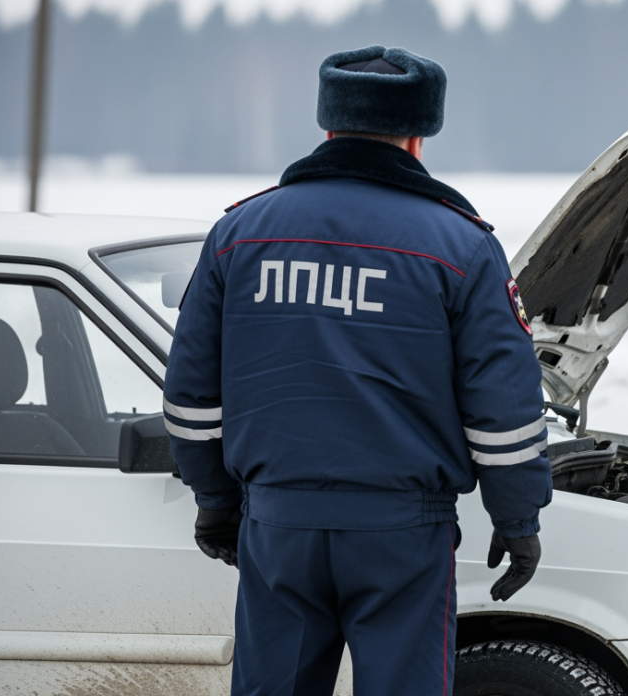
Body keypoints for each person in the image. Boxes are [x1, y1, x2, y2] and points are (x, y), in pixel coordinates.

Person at [163, 45, 553, 696]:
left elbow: (191, 395)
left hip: (278, 525)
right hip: (402, 535)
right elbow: (503, 408)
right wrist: (518, 518)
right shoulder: (461, 246)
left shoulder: (239, 234)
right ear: (418, 137)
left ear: (328, 128)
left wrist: (214, 499)